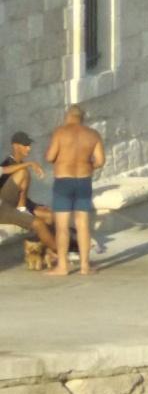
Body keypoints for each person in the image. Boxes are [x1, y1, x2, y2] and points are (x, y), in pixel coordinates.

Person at [45, 105, 105, 276]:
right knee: (83, 224)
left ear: (67, 117)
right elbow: (100, 161)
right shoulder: (93, 135)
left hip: (63, 181)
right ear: (82, 118)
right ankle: (85, 266)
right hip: (83, 181)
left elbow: (50, 157)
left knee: (62, 226)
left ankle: (63, 266)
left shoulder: (60, 132)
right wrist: (87, 165)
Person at [0, 130, 57, 265]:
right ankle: (61, 252)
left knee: (49, 215)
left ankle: (43, 252)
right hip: (8, 206)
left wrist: (35, 206)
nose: (29, 148)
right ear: (15, 146)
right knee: (39, 221)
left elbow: (20, 193)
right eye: (25, 145)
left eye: (29, 145)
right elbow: (8, 195)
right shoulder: (8, 164)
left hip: (16, 204)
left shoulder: (15, 166)